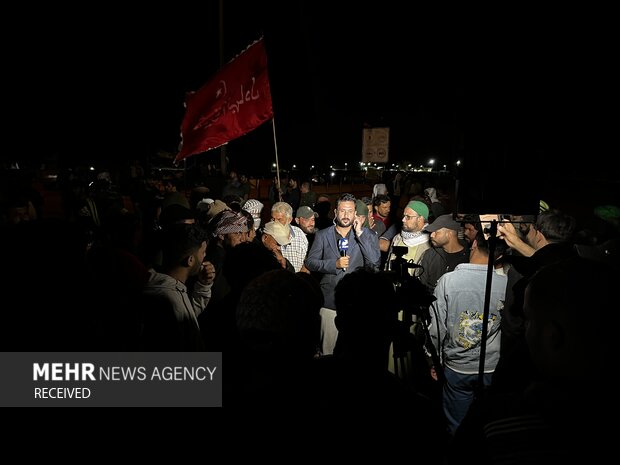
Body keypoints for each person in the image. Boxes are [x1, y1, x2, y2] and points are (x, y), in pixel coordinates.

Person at [305, 193, 381, 355]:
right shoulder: (322, 235)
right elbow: (310, 262)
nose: (346, 215)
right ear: (335, 212)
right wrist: (334, 264)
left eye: (350, 211)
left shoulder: (368, 235)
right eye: (342, 211)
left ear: (355, 214)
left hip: (357, 304)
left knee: (354, 354)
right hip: (329, 302)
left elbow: (374, 265)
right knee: (328, 352)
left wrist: (360, 233)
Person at [139, 223, 215, 351]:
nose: (205, 256)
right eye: (203, 252)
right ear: (190, 260)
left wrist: (203, 285)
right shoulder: (169, 297)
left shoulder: (161, 285)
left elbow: (187, 312)